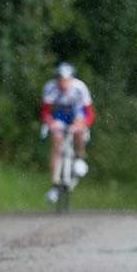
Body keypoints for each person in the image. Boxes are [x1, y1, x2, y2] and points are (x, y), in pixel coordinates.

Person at [40, 62, 95, 203]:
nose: (63, 84)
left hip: (76, 114)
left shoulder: (80, 88)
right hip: (59, 115)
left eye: (66, 80)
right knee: (56, 143)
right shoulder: (50, 88)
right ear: (56, 80)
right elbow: (45, 112)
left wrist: (82, 125)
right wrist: (51, 124)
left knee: (78, 129)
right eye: (60, 80)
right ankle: (55, 185)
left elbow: (89, 113)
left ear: (71, 79)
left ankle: (79, 158)